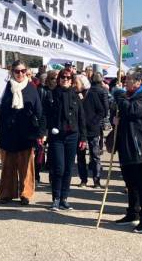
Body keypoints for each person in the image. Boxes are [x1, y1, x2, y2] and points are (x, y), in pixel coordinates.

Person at [111, 69, 142, 233]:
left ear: (139, 82)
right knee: (130, 183)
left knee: (141, 184)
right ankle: (133, 213)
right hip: (127, 146)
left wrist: (120, 95)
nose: (126, 82)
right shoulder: (130, 96)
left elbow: (133, 111)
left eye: (129, 79)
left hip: (140, 148)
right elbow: (123, 112)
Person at [0, 60, 44, 205]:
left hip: (26, 132)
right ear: (12, 72)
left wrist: (41, 132)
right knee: (8, 166)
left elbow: (39, 111)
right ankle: (7, 193)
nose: (20, 74)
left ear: (26, 72)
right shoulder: (4, 87)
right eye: (17, 71)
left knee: (26, 167)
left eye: (23, 71)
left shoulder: (31, 88)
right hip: (8, 132)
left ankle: (26, 194)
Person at [46, 68, 86, 210]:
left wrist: (83, 138)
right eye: (63, 77)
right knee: (59, 168)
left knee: (68, 168)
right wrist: (43, 132)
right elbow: (46, 116)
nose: (65, 79)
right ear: (59, 79)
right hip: (57, 136)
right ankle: (56, 198)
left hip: (72, 135)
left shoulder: (76, 96)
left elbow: (81, 117)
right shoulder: (51, 94)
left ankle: (64, 198)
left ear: (72, 80)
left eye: (68, 77)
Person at [81, 72, 109, 188]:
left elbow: (103, 109)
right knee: (88, 154)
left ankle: (90, 180)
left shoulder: (91, 93)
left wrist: (94, 121)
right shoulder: (101, 91)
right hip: (88, 127)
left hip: (90, 126)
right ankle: (90, 180)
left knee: (90, 154)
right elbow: (105, 109)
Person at [36, 70, 57, 184]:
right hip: (43, 126)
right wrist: (41, 131)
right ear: (49, 80)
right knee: (40, 151)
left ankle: (52, 178)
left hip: (55, 128)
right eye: (53, 78)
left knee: (53, 153)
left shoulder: (58, 91)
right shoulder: (42, 90)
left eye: (56, 79)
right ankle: (36, 175)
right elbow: (41, 112)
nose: (55, 81)